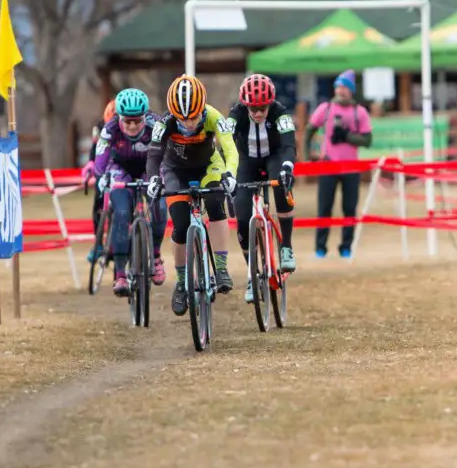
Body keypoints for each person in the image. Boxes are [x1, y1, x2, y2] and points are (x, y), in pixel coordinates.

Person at [145, 74, 239, 317]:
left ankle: (220, 269)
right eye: (182, 119)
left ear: (202, 109)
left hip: (209, 166)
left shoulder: (214, 116)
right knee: (179, 224)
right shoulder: (164, 123)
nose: (187, 124)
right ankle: (181, 283)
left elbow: (229, 148)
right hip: (175, 170)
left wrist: (230, 173)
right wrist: (154, 178)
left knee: (216, 203)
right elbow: (154, 154)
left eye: (194, 117)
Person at [227, 74, 297, 303]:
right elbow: (225, 139)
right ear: (245, 105)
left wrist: (288, 166)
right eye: (253, 108)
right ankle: (252, 274)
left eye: (262, 108)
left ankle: (286, 246)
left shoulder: (281, 113)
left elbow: (288, 144)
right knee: (242, 215)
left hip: (274, 157)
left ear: (270, 104)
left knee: (281, 183)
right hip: (246, 160)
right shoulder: (236, 114)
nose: (257, 113)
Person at [93, 88, 168, 296]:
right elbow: (100, 160)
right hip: (120, 169)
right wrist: (101, 178)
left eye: (137, 121)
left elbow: (169, 153)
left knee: (160, 205)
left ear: (145, 116)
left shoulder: (156, 124)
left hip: (148, 168)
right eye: (128, 121)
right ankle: (120, 274)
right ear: (120, 118)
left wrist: (165, 177)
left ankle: (155, 254)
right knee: (122, 213)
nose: (133, 126)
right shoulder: (110, 128)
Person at [304, 69, 372, 259]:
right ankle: (320, 247)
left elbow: (367, 140)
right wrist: (307, 154)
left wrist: (348, 136)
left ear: (351, 91)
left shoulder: (360, 112)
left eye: (345, 88)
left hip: (351, 167)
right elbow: (310, 130)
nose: (341, 91)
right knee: (324, 207)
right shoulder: (325, 109)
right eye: (338, 87)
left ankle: (346, 247)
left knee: (349, 208)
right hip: (329, 165)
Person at [82, 99, 116, 263]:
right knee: (99, 202)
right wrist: (90, 163)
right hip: (104, 163)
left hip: (123, 164)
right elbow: (95, 147)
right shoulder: (99, 126)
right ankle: (98, 244)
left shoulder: (133, 123)